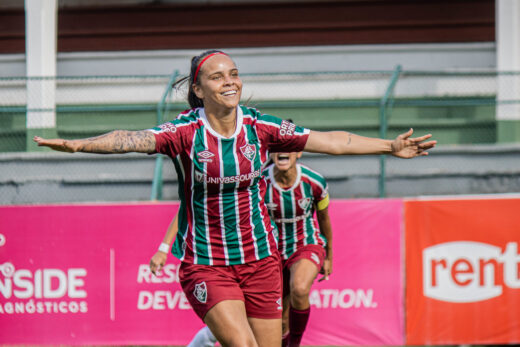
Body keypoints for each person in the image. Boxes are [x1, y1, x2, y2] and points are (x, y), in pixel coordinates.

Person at [34, 49, 436, 347]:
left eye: (234, 74)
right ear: (198, 87)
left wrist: (389, 146)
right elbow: (129, 140)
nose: (229, 82)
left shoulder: (262, 127)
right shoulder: (184, 133)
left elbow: (330, 140)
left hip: (262, 260)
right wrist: (76, 145)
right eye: (217, 77)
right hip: (208, 265)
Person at [263, 149, 331, 347]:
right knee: (281, 321)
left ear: (299, 153)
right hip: (272, 254)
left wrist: (329, 257)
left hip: (306, 244)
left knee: (299, 288)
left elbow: (324, 218)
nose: (282, 151)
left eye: (289, 147)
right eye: (277, 147)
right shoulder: (260, 183)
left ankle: (296, 344)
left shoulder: (314, 181)